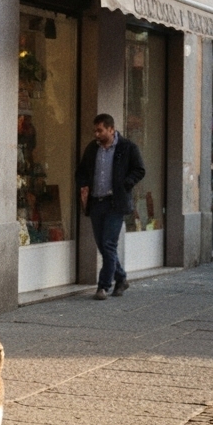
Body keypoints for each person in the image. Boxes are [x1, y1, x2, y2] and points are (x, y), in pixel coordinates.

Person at [76, 113, 146, 300]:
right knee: (103, 245)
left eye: (100, 130)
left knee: (108, 244)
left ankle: (103, 286)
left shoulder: (127, 147)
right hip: (96, 202)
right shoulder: (92, 148)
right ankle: (121, 278)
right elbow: (82, 170)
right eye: (95, 130)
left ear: (111, 129)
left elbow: (140, 170)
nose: (96, 134)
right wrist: (83, 185)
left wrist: (126, 183)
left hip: (116, 203)